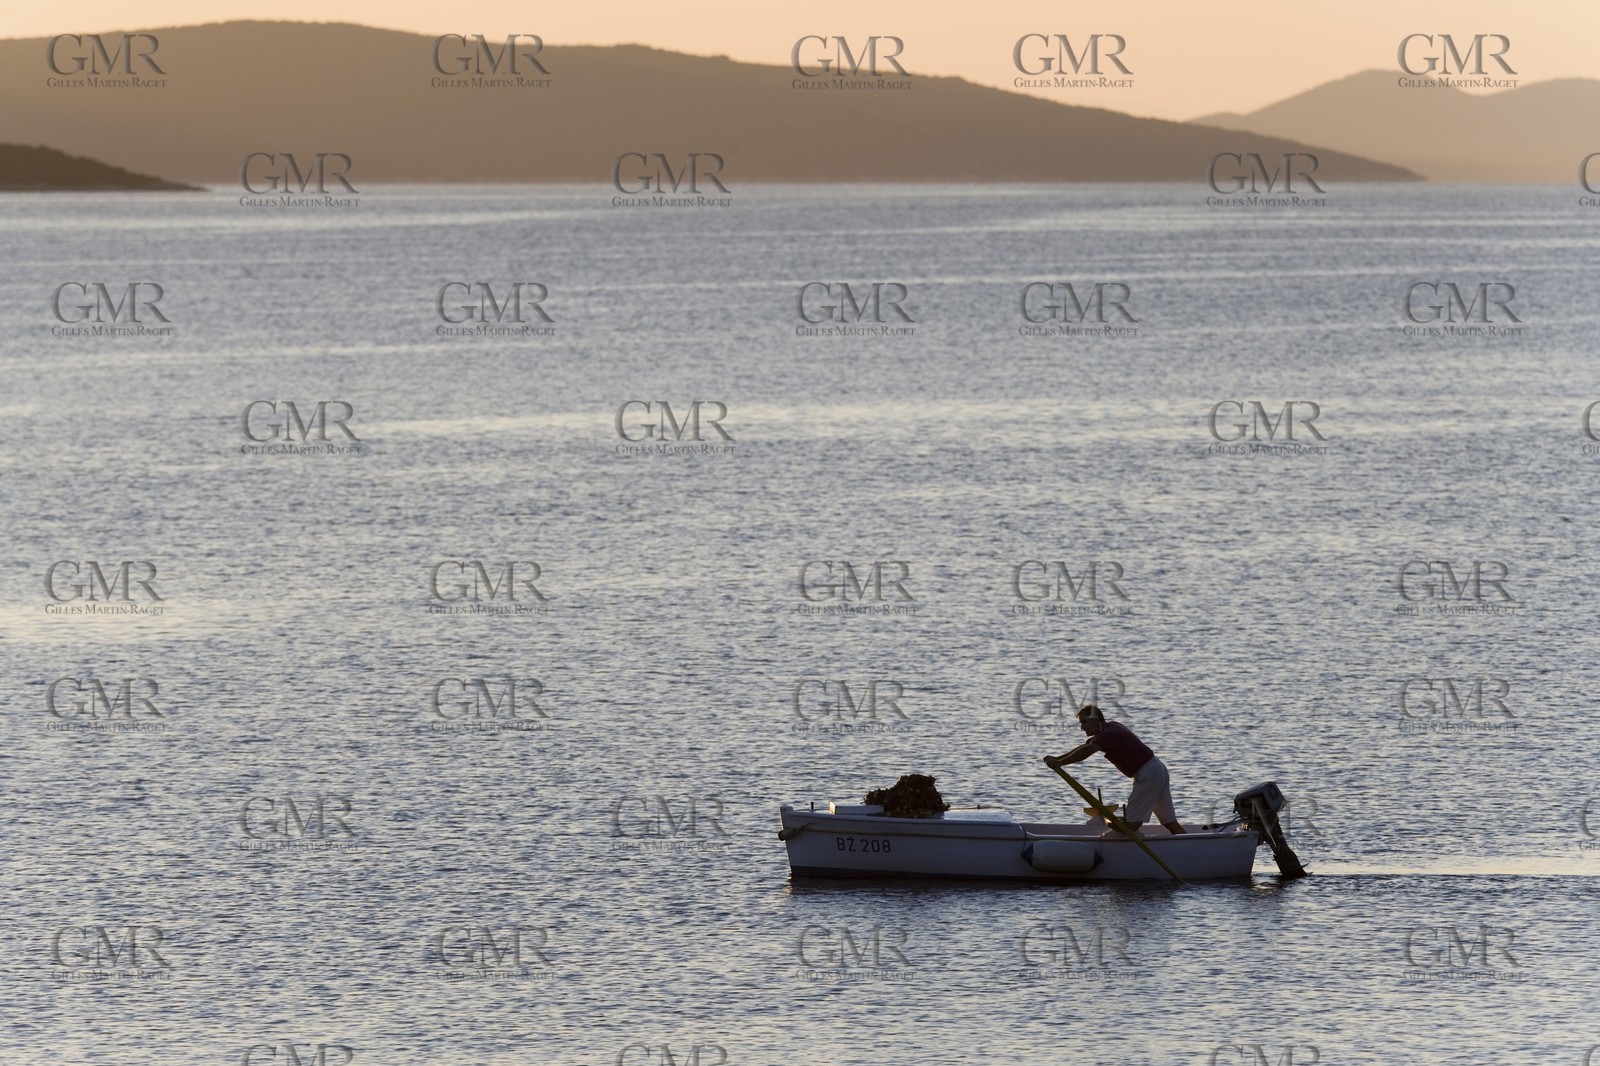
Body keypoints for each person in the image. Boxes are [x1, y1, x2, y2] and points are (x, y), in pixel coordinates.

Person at [1044, 704, 1185, 835]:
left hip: (1149, 773)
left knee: (1130, 825)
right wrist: (1057, 759)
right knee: (1169, 822)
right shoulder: (1108, 730)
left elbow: (1086, 751)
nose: (1081, 727)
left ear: (1094, 719)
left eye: (1083, 722)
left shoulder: (1109, 733)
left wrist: (1059, 762)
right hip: (1156, 770)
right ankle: (1188, 846)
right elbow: (1083, 748)